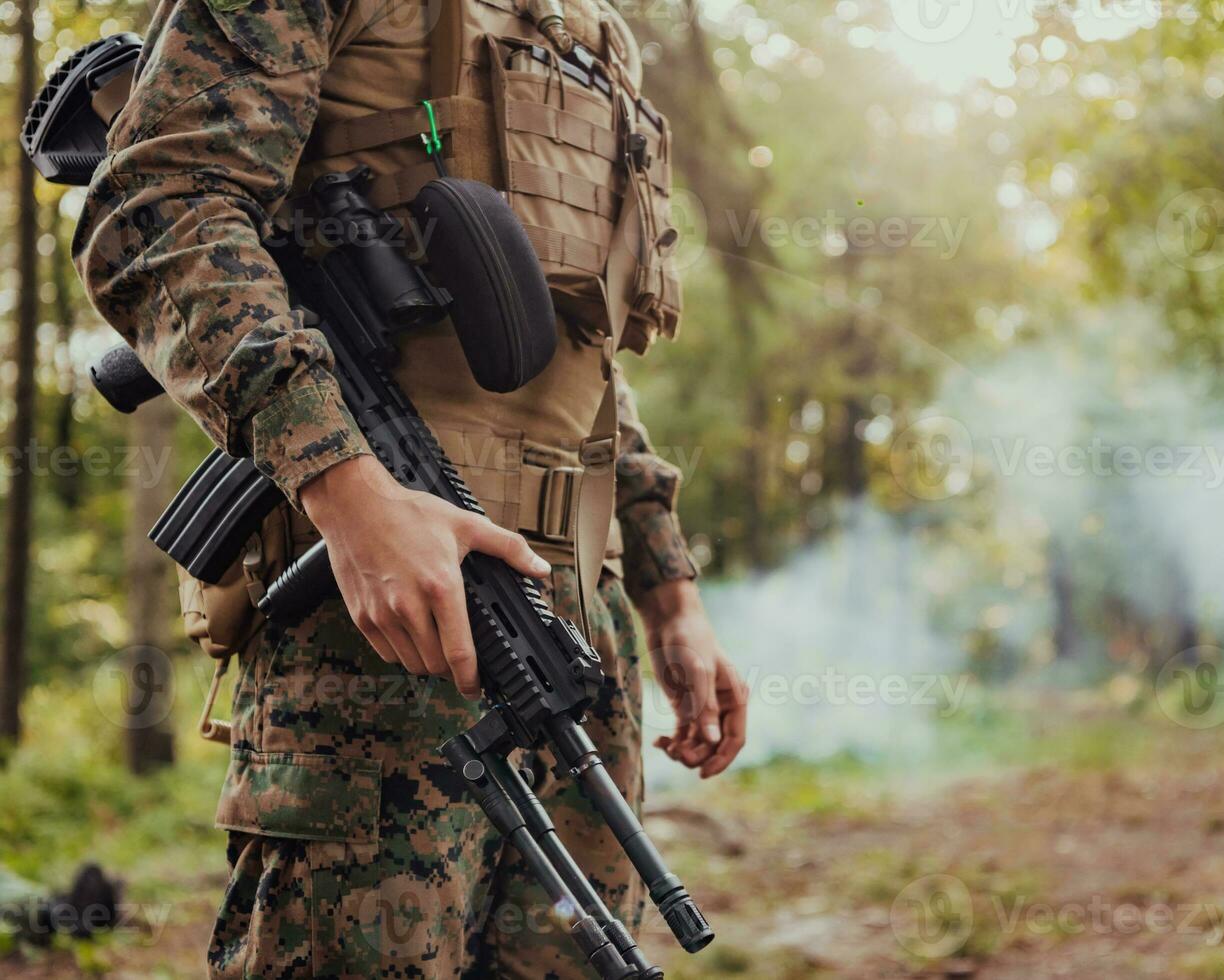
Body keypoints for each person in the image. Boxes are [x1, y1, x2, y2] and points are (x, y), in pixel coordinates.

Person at [72, 0, 749, 974]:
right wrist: (347, 491)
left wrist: (668, 590)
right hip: (374, 634)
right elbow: (158, 204)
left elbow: (586, 355)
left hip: (571, 641)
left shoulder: (593, 34)